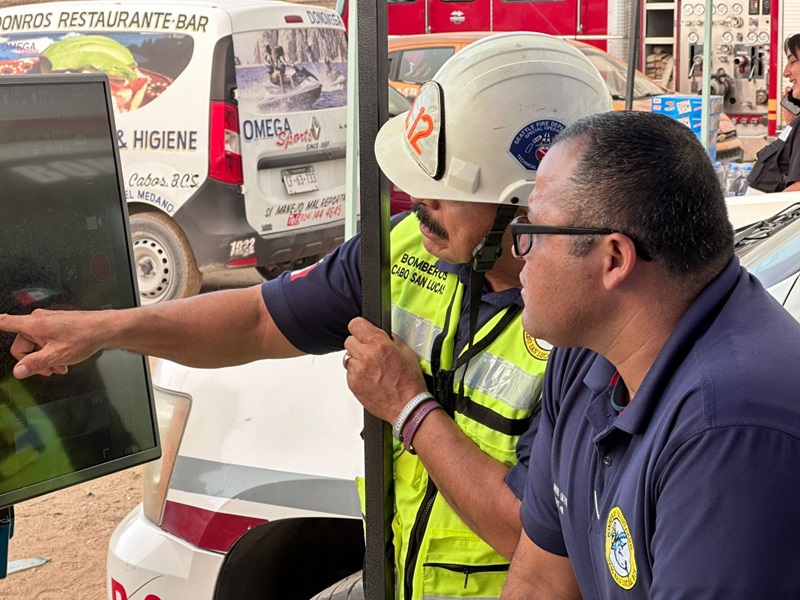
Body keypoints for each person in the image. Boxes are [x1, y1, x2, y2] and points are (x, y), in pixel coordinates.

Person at [0, 33, 612, 599]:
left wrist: (408, 408)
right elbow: (256, 321)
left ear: (525, 208)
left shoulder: (592, 327)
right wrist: (105, 329)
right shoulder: (402, 249)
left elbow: (535, 543)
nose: (417, 199)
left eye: (444, 188)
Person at [499, 110, 800, 599]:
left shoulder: (732, 430)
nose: (521, 252)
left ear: (614, 259)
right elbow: (541, 582)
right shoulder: (584, 358)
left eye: (534, 229)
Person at [748, 33, 800, 193]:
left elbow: (797, 190)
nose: (786, 72)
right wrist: (792, 121)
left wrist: (768, 210)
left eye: (792, 62)